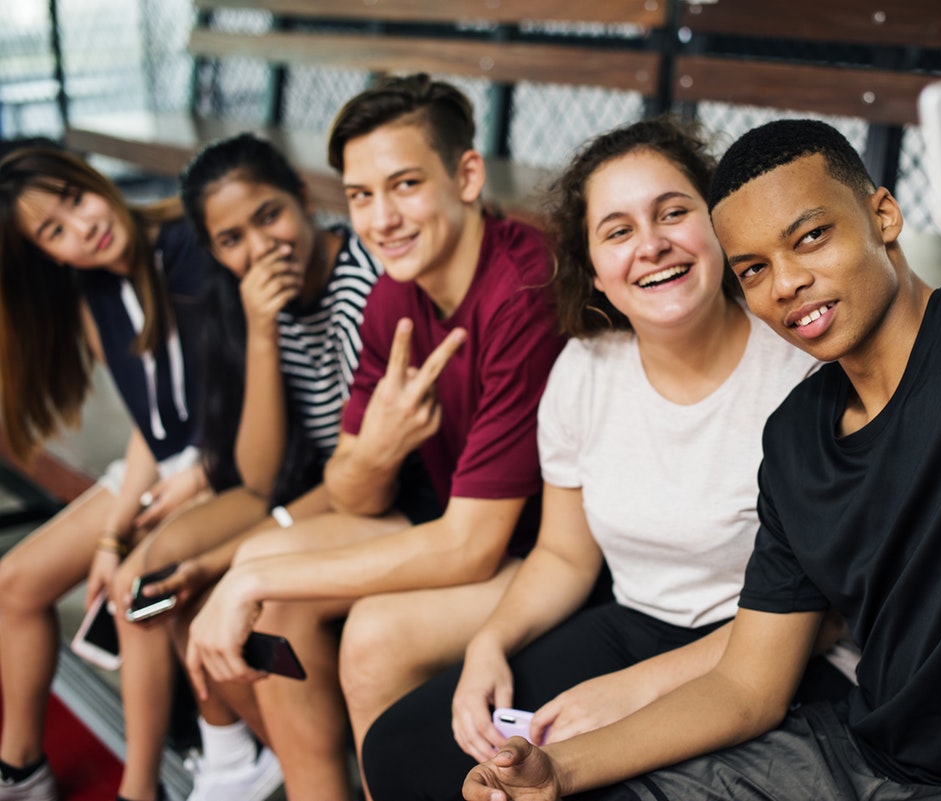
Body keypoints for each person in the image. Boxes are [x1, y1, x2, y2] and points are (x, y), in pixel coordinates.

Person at [463, 48, 941, 801]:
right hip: (857, 756)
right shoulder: (795, 437)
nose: (786, 282)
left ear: (883, 215)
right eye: (752, 268)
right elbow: (748, 686)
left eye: (810, 236)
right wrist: (560, 769)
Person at [360, 115, 858, 799]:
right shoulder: (586, 369)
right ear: (593, 272)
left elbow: (827, 611)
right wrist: (489, 642)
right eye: (618, 231)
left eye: (673, 213)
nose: (651, 245)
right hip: (632, 622)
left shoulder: (801, 369)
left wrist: (627, 694)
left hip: (771, 651)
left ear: (719, 226)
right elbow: (565, 556)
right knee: (402, 750)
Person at [184, 73, 565, 801]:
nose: (380, 217)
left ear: (467, 175)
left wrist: (250, 577)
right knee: (271, 584)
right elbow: (355, 488)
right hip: (449, 520)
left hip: (545, 558)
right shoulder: (396, 288)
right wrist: (379, 446)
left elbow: (473, 545)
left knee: (368, 635)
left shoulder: (522, 288)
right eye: (360, 195)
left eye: (405, 185)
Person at [108, 132, 389, 801]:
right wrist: (263, 330)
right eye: (232, 239)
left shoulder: (364, 289)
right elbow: (257, 473)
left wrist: (234, 554)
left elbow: (364, 481)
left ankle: (309, 771)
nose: (261, 247)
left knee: (240, 598)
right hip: (301, 485)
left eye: (269, 216)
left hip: (364, 495)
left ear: (300, 194)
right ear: (214, 251)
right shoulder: (252, 303)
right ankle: (265, 761)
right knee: (164, 578)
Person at [0, 146, 211, 801]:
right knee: (14, 582)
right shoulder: (97, 296)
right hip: (161, 468)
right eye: (54, 230)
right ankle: (20, 768)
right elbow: (153, 422)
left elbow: (241, 408)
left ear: (92, 179)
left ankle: (139, 788)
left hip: (219, 473)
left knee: (132, 591)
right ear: (48, 256)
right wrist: (110, 530)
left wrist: (192, 482)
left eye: (74, 197)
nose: (82, 225)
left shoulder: (187, 246)